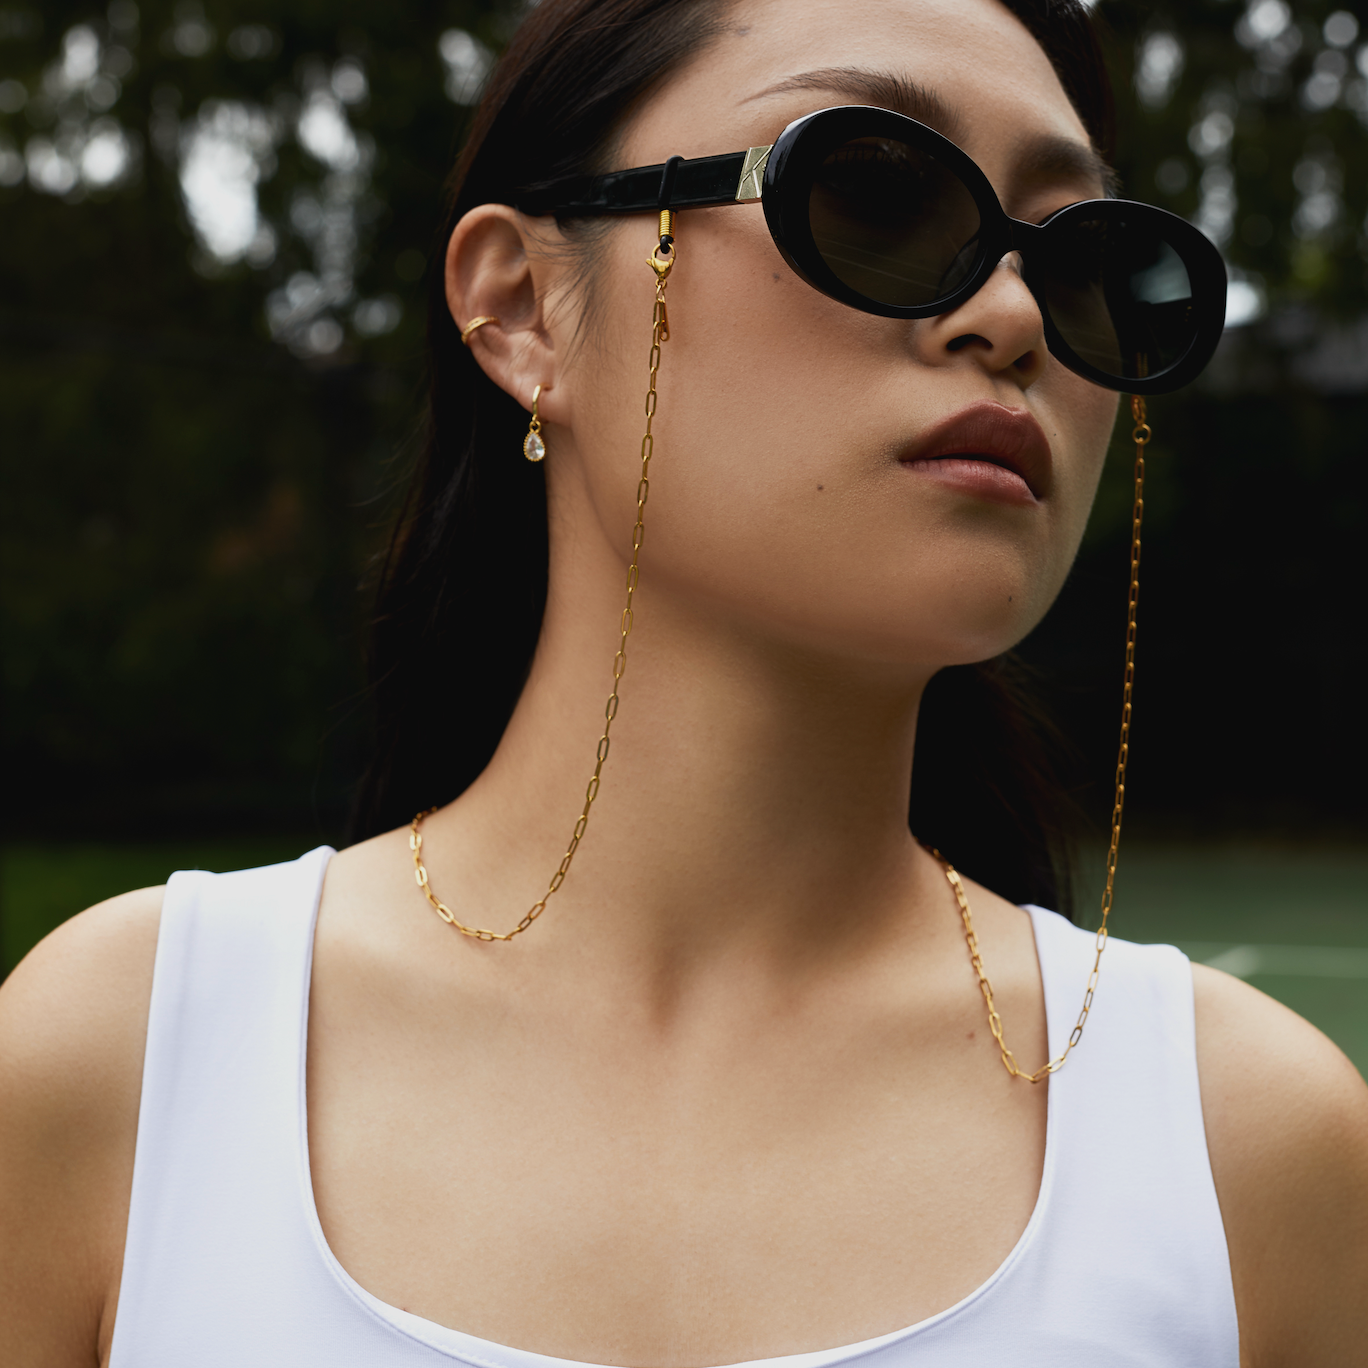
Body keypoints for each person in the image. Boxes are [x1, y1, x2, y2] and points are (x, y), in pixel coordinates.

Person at [3, 0, 1366, 1363]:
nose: (1016, 316)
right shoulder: (118, 1072)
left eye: (1091, 264)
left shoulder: (1258, 1160)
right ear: (524, 306)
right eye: (875, 192)